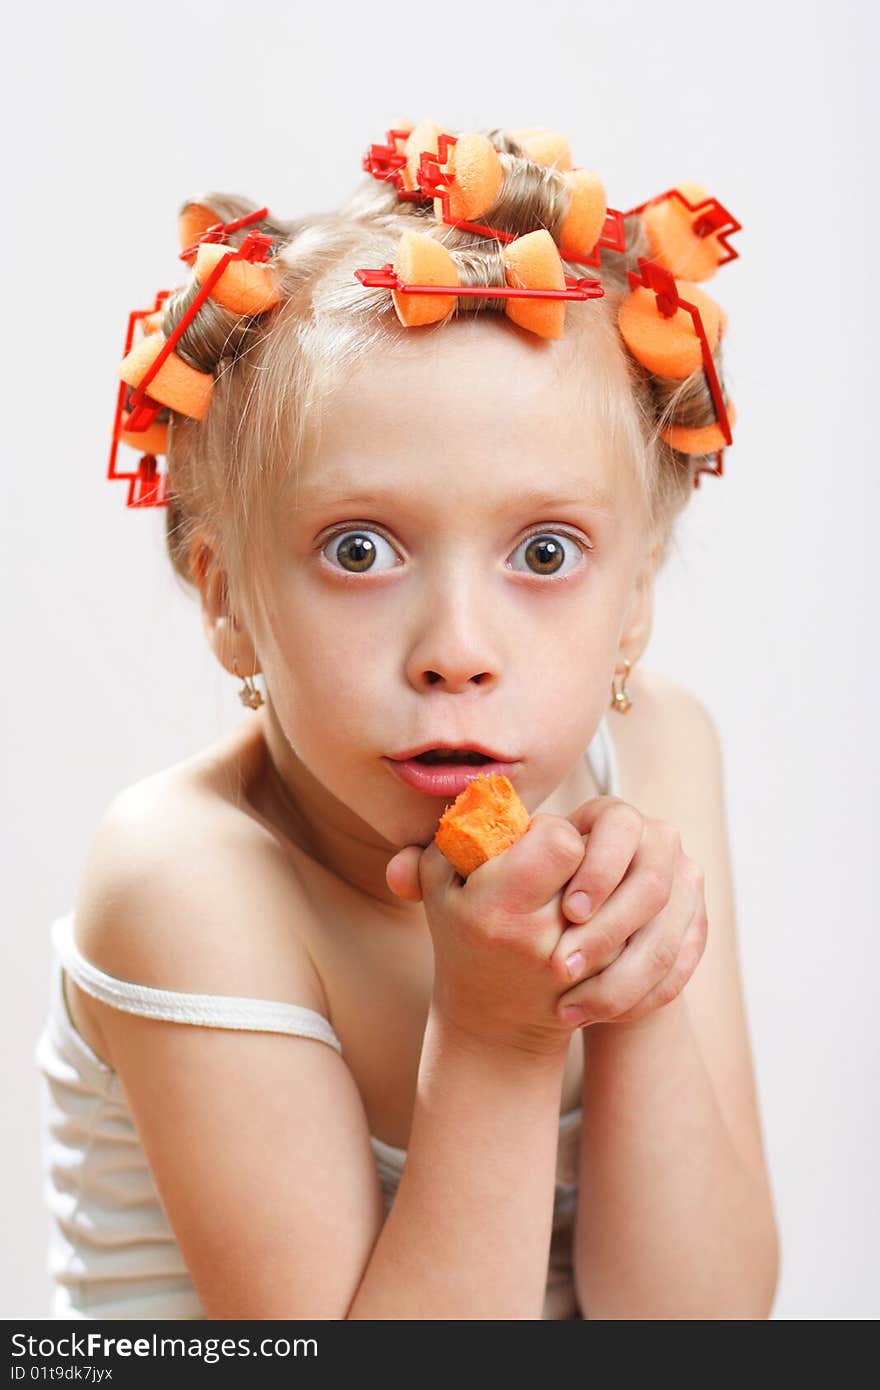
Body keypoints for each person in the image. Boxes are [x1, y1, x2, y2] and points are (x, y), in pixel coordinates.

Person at [34, 120, 779, 1320]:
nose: (456, 655)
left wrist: (625, 987)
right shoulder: (183, 876)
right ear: (228, 601)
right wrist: (497, 1042)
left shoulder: (654, 754)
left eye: (544, 551)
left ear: (634, 602)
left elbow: (696, 1321)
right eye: (361, 548)